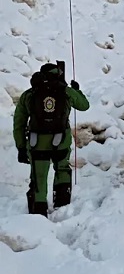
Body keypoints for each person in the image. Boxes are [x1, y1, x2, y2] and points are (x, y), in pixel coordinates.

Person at [13, 62, 89, 216]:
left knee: (38, 177)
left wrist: (21, 147)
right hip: (61, 141)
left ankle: (38, 213)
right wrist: (77, 90)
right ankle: (62, 207)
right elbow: (84, 105)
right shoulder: (66, 91)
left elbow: (19, 123)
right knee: (62, 169)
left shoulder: (30, 94)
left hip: (37, 143)